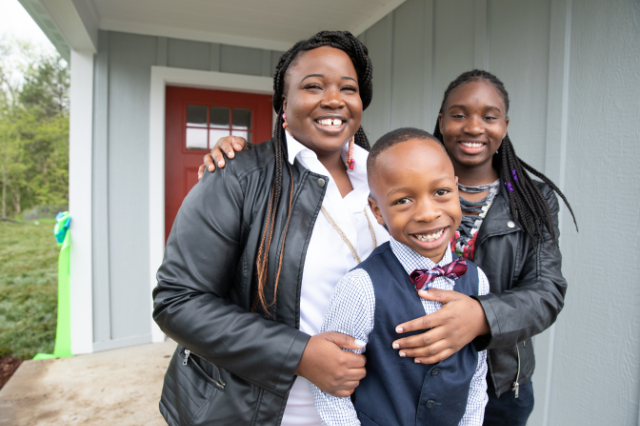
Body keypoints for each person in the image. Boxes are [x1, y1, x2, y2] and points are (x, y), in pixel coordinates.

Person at [204, 70, 577, 426]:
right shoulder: (403, 171)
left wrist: (481, 317)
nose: (474, 127)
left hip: (495, 382)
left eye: (489, 116)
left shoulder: (532, 200)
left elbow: (547, 291)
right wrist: (246, 153)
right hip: (397, 393)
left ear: (505, 125)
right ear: (441, 120)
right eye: (459, 115)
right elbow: (369, 162)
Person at [153, 31, 390, 426]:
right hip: (265, 414)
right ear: (284, 102)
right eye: (313, 86)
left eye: (348, 88)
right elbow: (177, 301)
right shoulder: (239, 178)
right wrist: (297, 354)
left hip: (369, 411)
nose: (334, 99)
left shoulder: (385, 178)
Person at [313, 128, 489, 426]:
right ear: (376, 211)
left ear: (457, 189)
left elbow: (477, 374)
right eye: (403, 200)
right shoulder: (361, 288)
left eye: (441, 192)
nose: (427, 213)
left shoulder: (478, 280)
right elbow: (331, 390)